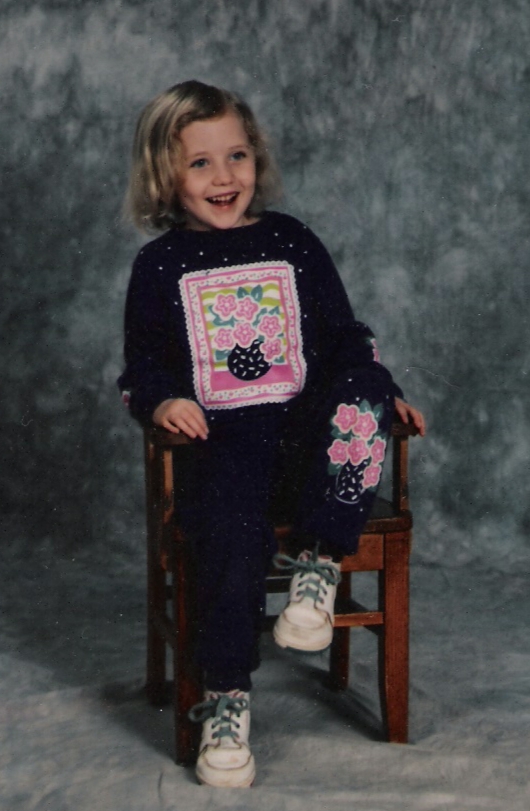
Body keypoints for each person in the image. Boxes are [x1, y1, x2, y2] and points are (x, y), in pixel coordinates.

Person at [118, 79, 425, 788]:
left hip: (304, 450)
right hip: (221, 456)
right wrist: (163, 401)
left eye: (237, 156)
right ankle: (226, 699)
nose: (224, 177)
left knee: (368, 379)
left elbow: (347, 337)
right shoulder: (158, 267)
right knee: (224, 525)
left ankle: (319, 562)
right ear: (166, 174)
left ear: (256, 158)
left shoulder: (292, 241)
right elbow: (142, 367)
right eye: (200, 163)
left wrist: (387, 395)